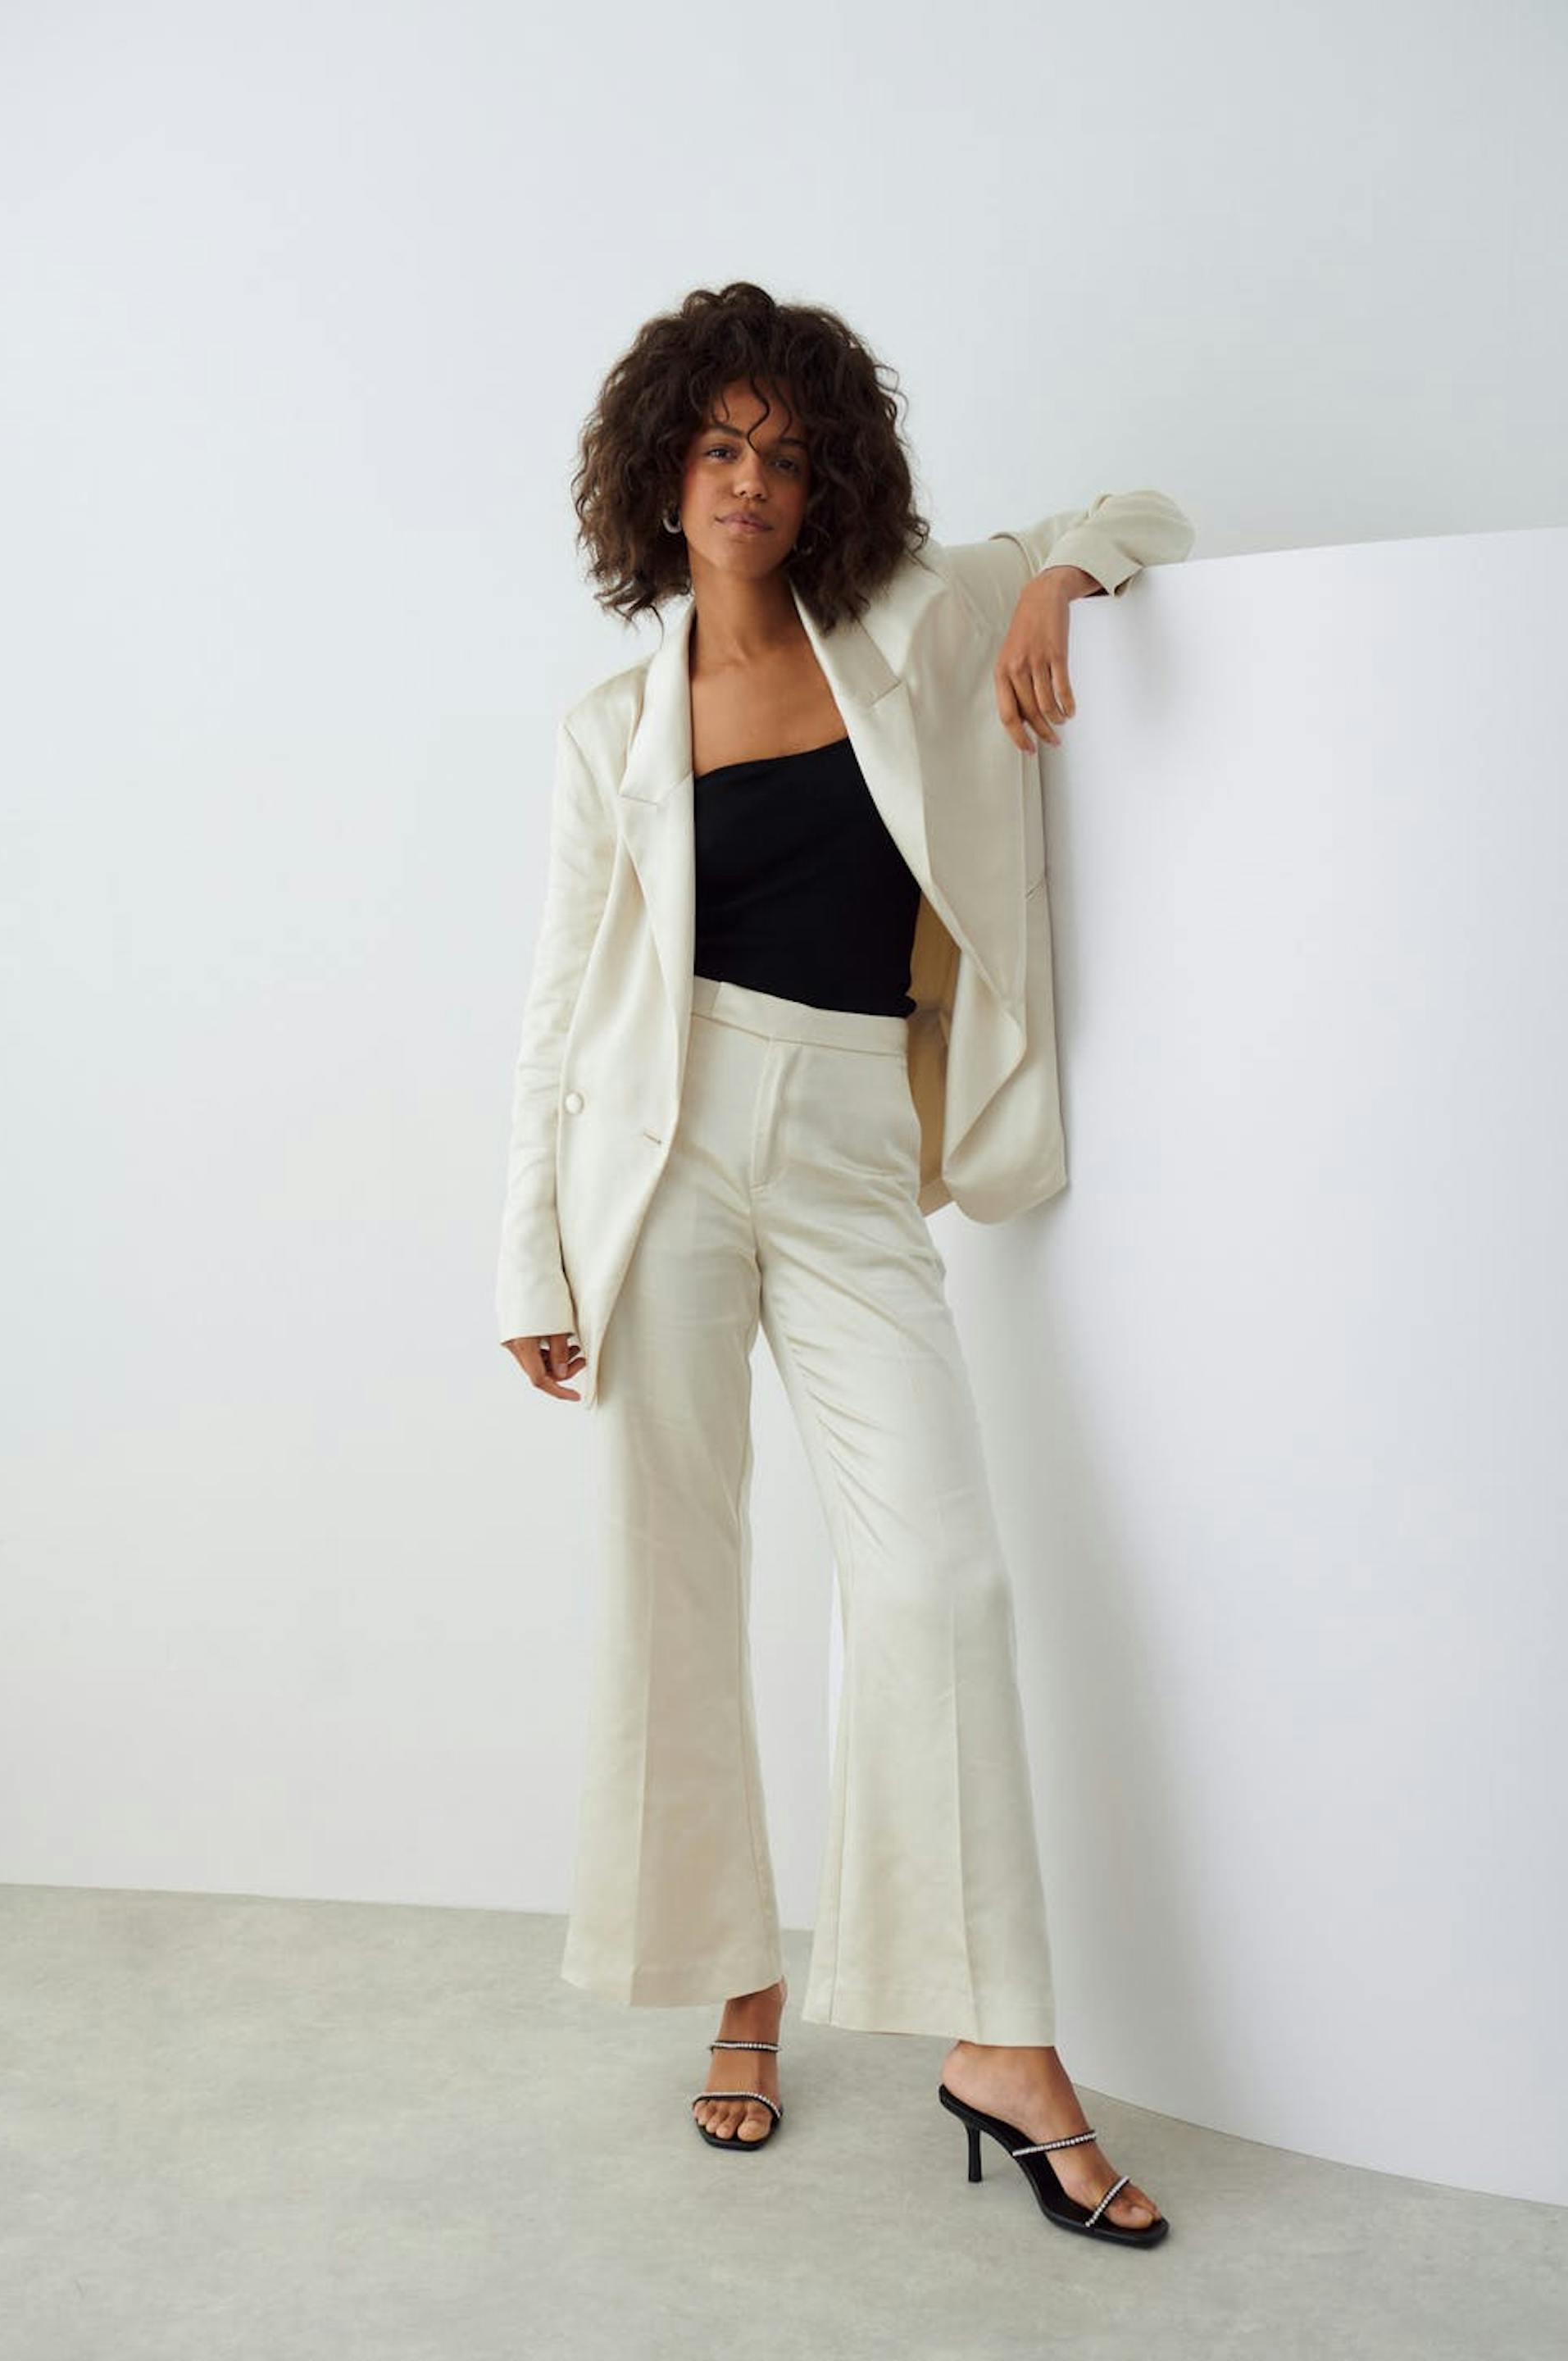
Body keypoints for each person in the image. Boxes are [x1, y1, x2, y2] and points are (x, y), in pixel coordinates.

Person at [498, 280, 1192, 2245]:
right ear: (661, 477)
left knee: (943, 1577)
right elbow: (554, 1015)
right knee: (677, 1579)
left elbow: (1139, 509)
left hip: (854, 1151)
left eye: (787, 458)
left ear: (831, 488)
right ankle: (741, 1984)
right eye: (719, 449)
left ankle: (996, 2039)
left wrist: (1059, 581)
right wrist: (529, 1257)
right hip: (656, 1156)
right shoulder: (610, 730)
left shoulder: (910, 625)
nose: (751, 482)